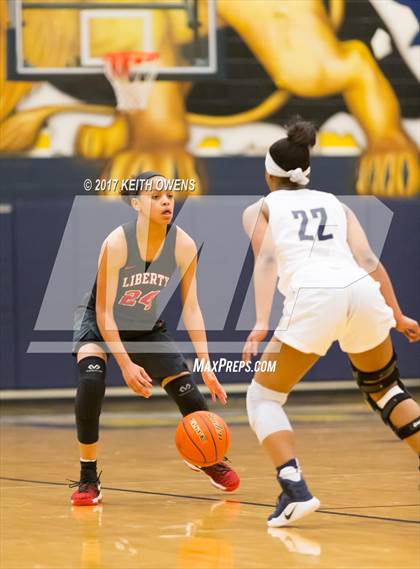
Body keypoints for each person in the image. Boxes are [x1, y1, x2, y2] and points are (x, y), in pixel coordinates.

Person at [242, 118, 420, 528]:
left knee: (263, 399)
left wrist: (260, 321)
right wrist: (397, 314)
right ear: (307, 172)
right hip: (362, 292)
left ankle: (294, 489)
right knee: (385, 387)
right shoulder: (337, 204)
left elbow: (267, 259)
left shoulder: (260, 208)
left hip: (314, 298)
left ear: (268, 173)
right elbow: (370, 261)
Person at [70, 172, 240, 506]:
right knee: (91, 383)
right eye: (155, 196)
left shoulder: (184, 244)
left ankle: (206, 456)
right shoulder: (117, 243)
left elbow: (191, 307)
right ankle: (88, 477)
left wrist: (205, 363)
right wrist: (126, 364)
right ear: (136, 204)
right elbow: (104, 314)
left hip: (145, 325)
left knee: (188, 391)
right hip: (98, 321)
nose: (165, 201)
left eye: (169, 196)